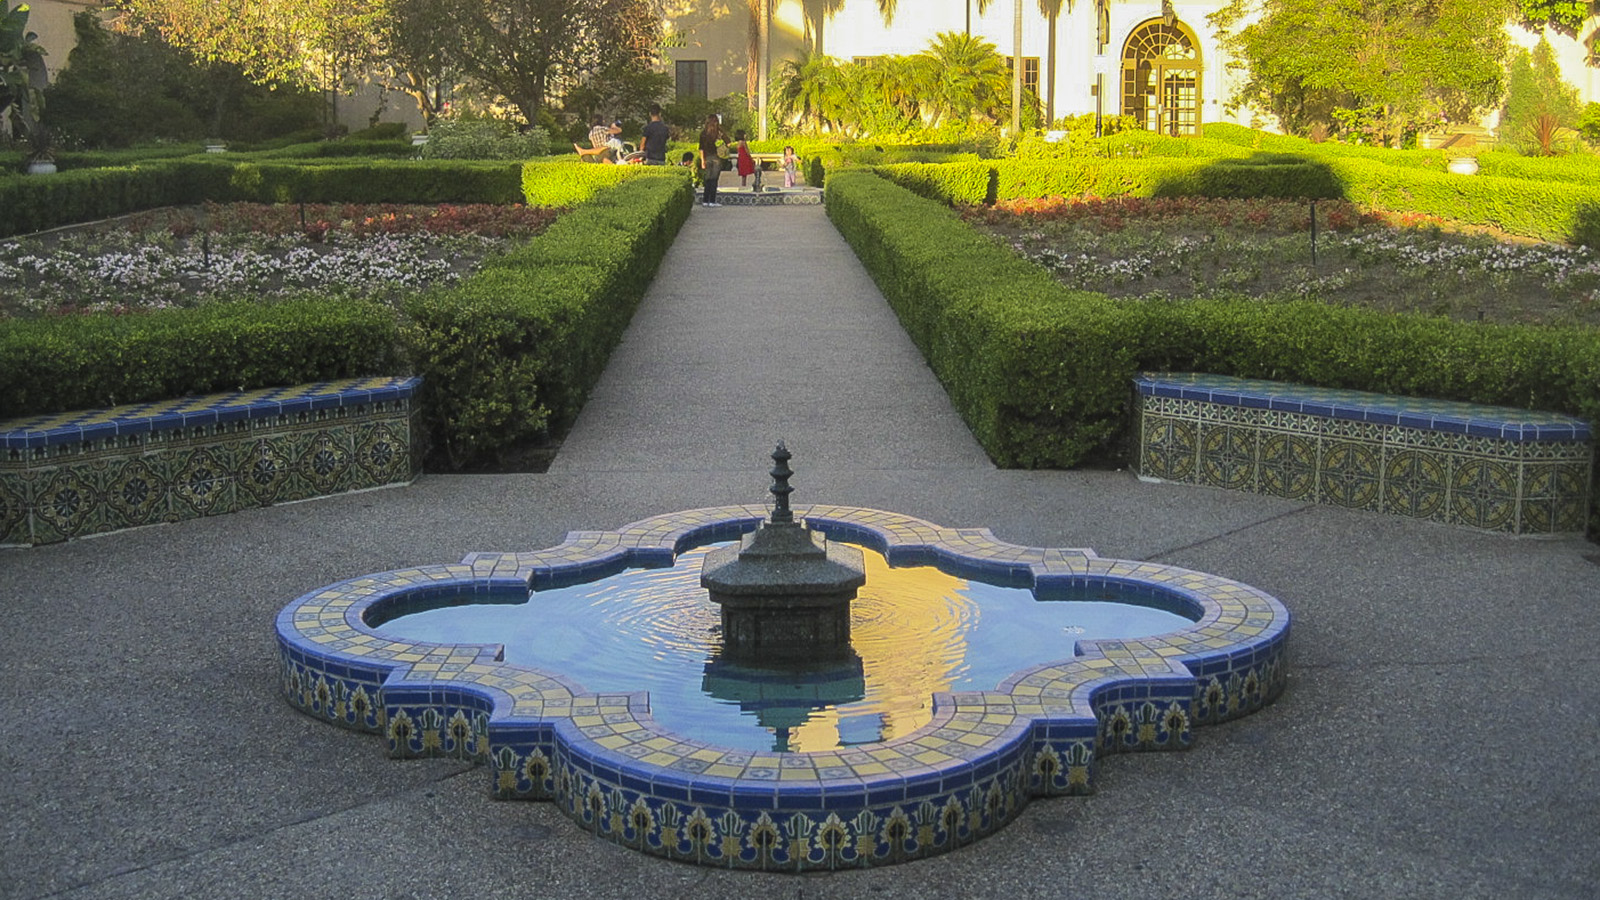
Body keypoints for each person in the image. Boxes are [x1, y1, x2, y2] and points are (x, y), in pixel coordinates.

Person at [697, 114, 725, 206]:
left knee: (708, 179)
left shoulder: (703, 134)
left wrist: (702, 160)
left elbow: (701, 148)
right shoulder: (717, 134)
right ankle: (712, 201)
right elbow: (728, 142)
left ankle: (705, 200)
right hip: (715, 157)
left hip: (707, 158)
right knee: (714, 180)